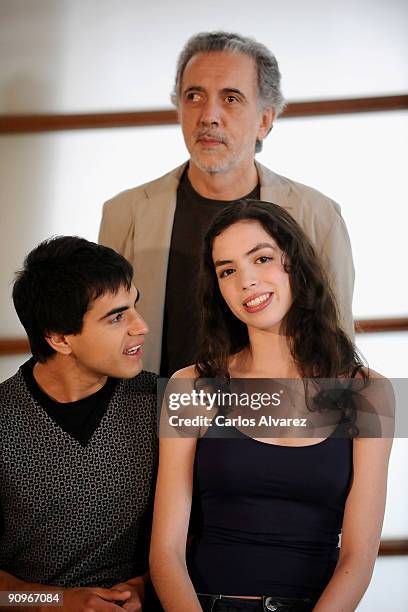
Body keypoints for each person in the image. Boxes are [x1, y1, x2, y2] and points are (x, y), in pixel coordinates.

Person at [149, 200, 393, 612]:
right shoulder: (191, 386)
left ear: (294, 264)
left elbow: (358, 556)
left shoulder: (368, 393)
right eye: (227, 270)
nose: (246, 281)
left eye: (261, 258)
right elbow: (166, 553)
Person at [99, 31, 355, 377]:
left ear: (265, 119)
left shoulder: (317, 215)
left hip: (279, 423)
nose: (208, 116)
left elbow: (335, 342)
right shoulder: (125, 213)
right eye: (194, 96)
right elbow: (104, 338)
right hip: (152, 420)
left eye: (231, 98)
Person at [0, 236, 157, 612]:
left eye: (134, 306)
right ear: (59, 338)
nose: (142, 327)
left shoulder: (164, 400)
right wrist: (53, 601)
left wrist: (149, 586)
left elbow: (213, 530)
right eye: (117, 317)